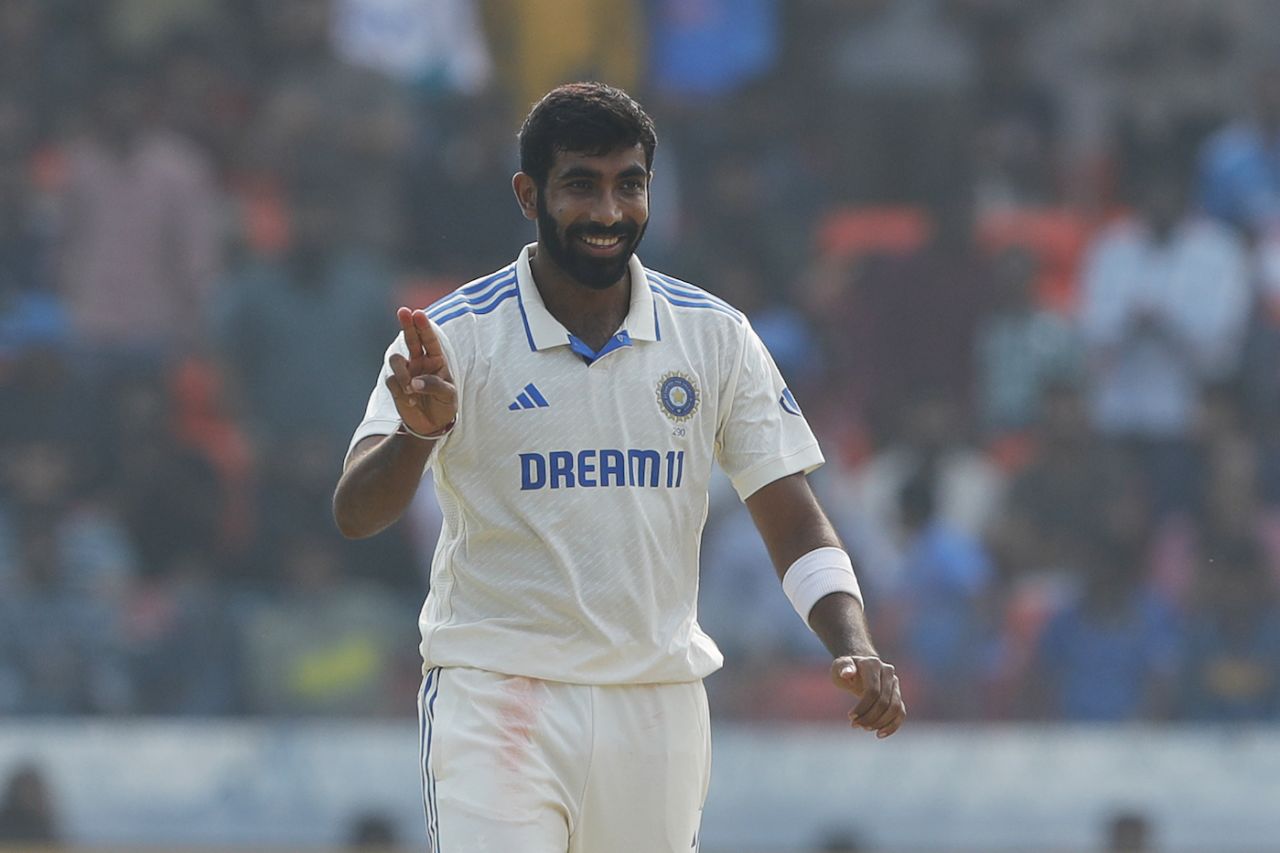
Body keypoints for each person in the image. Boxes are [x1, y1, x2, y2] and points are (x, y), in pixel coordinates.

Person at [332, 82, 905, 852]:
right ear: (528, 194)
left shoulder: (714, 336)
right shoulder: (450, 338)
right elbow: (356, 512)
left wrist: (852, 640)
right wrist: (416, 434)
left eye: (628, 185)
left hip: (655, 703)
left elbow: (793, 518)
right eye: (581, 185)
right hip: (499, 694)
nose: (608, 212)